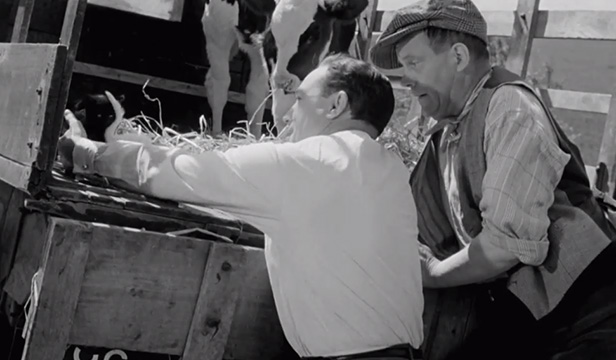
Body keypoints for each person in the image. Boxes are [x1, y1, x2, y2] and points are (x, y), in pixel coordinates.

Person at [58, 53, 425, 360]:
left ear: (336, 104)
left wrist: (86, 152)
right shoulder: (391, 172)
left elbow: (174, 172)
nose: (287, 115)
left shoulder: (307, 164)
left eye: (299, 100)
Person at [368, 0, 616, 359]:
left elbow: (505, 247)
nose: (404, 78)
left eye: (413, 62)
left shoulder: (511, 110)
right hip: (528, 316)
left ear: (458, 57)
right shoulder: (445, 138)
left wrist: (433, 273)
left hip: (590, 312)